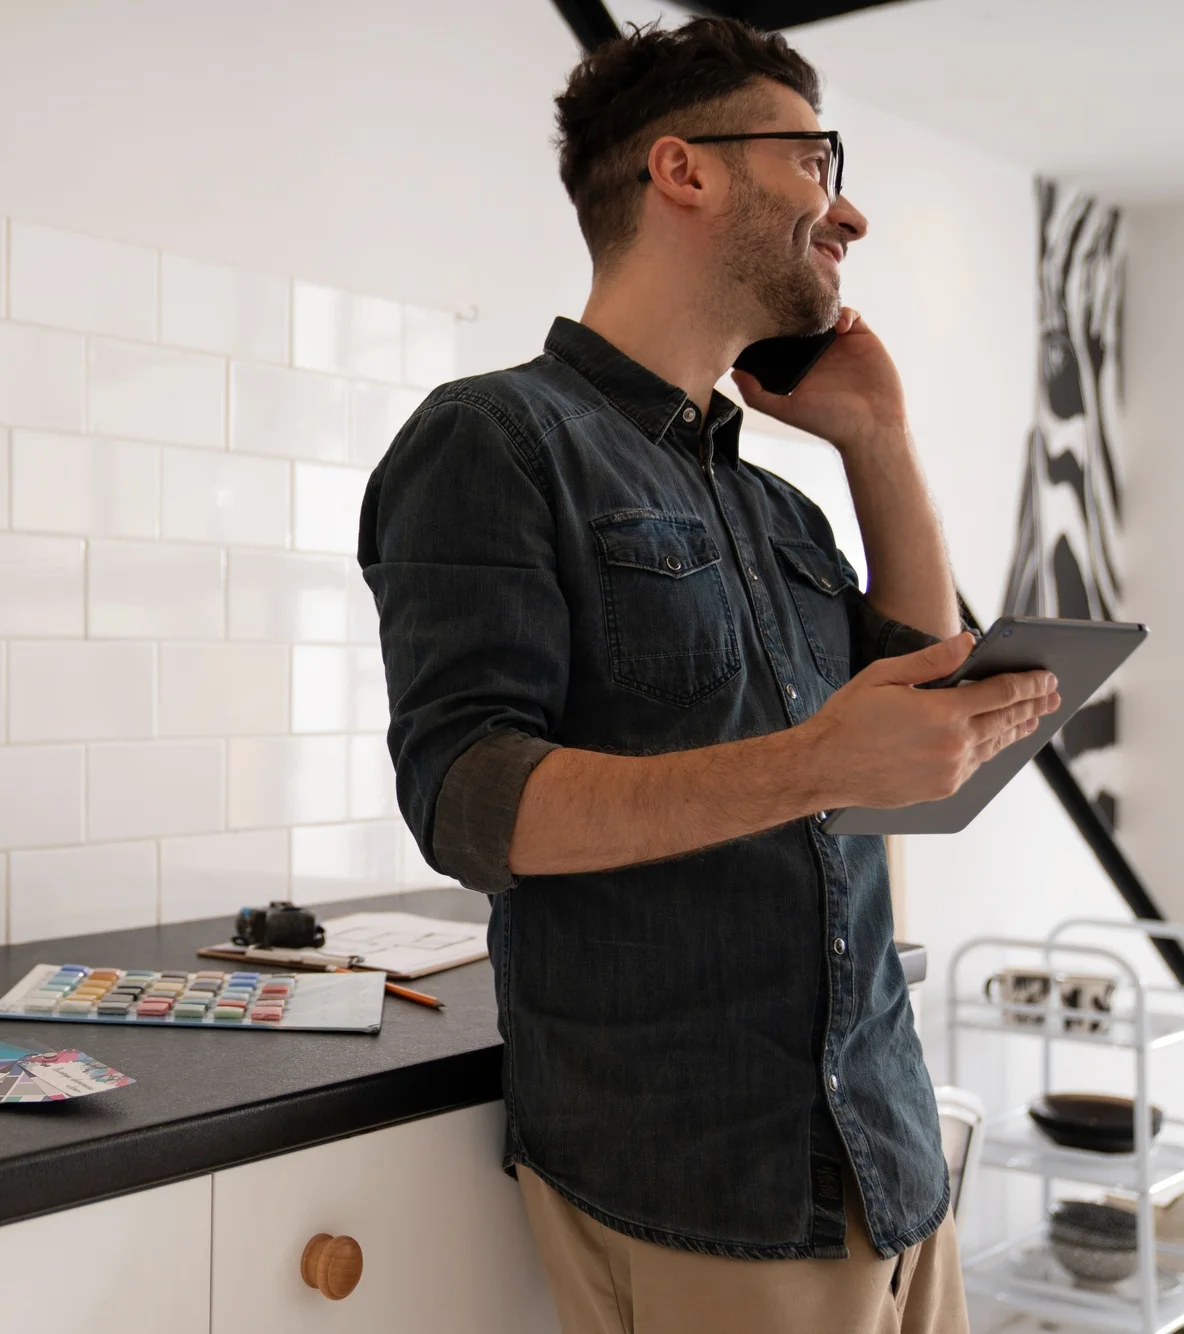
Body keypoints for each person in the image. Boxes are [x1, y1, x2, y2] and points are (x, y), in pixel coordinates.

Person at [358, 17, 1059, 1334]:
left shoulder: (777, 508)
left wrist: (879, 442)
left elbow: (900, 756)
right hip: (703, 1191)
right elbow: (469, 800)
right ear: (685, 171)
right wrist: (814, 763)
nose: (846, 210)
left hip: (889, 1161)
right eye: (813, 160)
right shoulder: (497, 439)